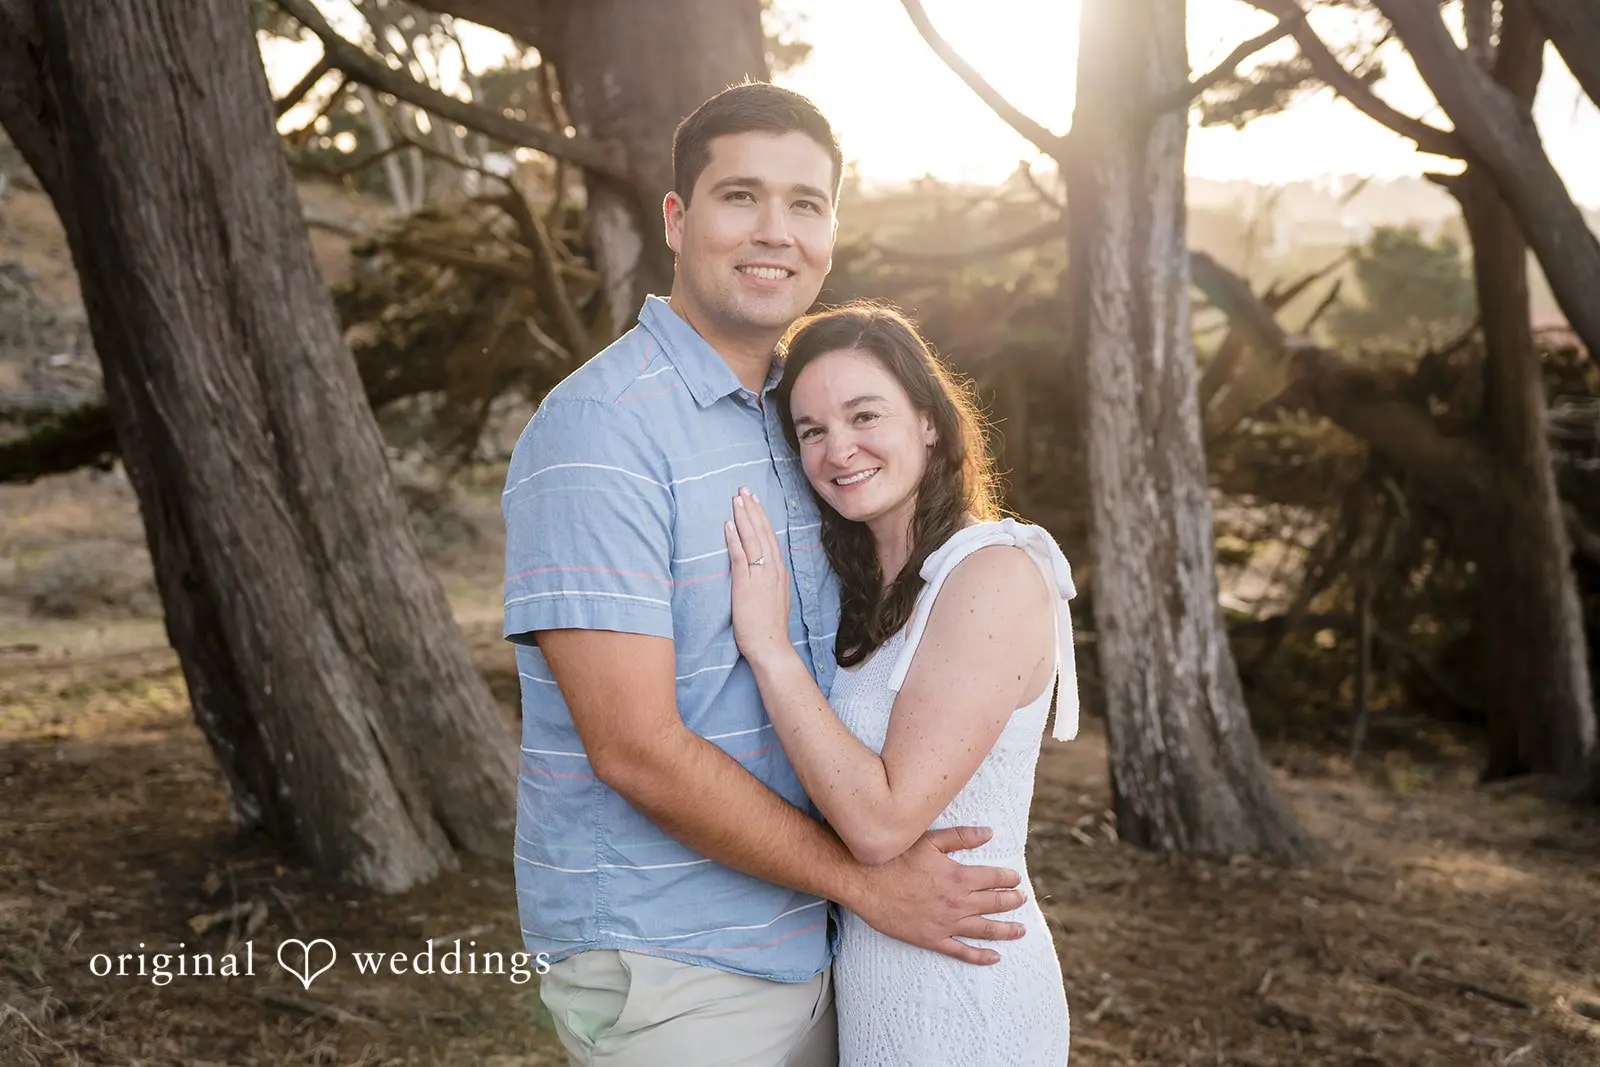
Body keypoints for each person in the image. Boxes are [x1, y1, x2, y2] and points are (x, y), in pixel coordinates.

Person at [501, 82, 1030, 1067]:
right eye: (740, 196)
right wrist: (867, 880)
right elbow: (634, 748)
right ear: (677, 217)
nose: (774, 231)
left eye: (806, 203)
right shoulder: (599, 430)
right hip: (673, 960)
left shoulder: (803, 419)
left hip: (814, 942)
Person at [722, 302, 1078, 1065]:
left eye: (864, 415)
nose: (838, 448)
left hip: (966, 994)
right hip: (878, 981)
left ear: (927, 420)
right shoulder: (864, 589)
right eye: (812, 430)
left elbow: (882, 823)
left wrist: (768, 647)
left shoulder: (992, 573)